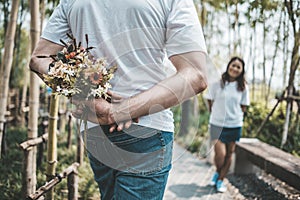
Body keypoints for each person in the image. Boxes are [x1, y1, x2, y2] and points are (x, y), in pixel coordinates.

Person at [30, 0, 208, 199]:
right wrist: (117, 111)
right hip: (147, 126)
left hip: (94, 127)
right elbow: (195, 75)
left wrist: (87, 97)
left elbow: (39, 59)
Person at [206, 56, 250, 193]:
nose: (235, 68)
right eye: (233, 65)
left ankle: (220, 180)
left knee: (229, 155)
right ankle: (218, 172)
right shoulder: (217, 84)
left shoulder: (243, 88)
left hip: (235, 125)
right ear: (228, 66)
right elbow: (209, 101)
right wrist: (217, 114)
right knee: (220, 154)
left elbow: (243, 106)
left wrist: (233, 116)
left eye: (238, 67)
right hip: (217, 124)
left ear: (241, 71)